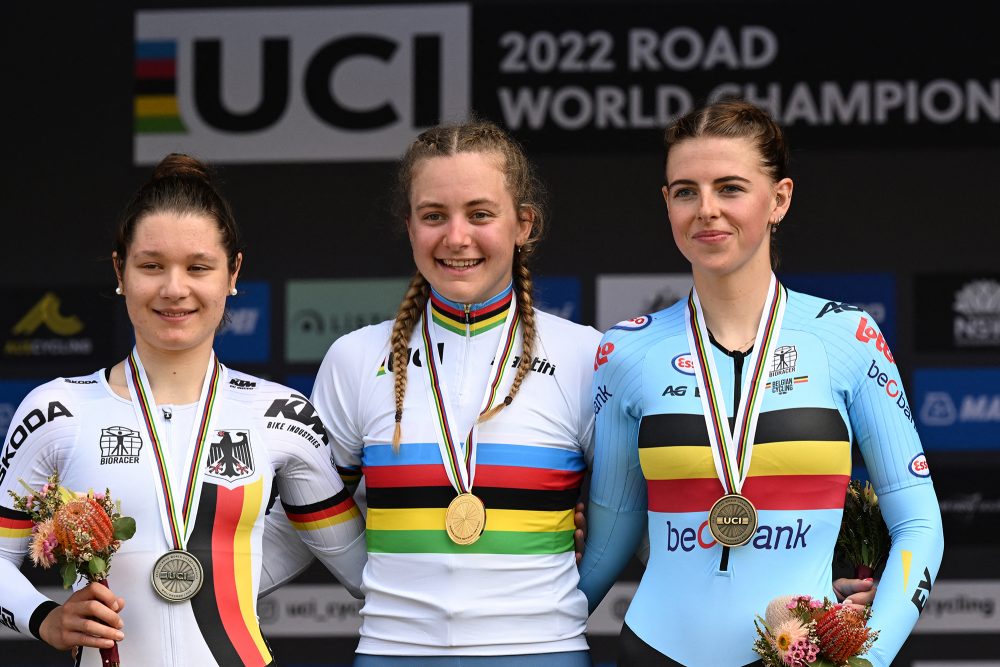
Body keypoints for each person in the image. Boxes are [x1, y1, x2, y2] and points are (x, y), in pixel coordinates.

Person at [577, 99, 944, 667]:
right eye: (685, 191)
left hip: (805, 658)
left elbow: (919, 525)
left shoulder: (848, 336)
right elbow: (610, 540)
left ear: (779, 199)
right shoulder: (626, 351)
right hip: (653, 652)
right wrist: (521, 638)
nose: (706, 211)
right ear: (667, 204)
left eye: (730, 188)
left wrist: (863, 659)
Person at [0, 154, 366, 666]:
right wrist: (43, 618)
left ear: (233, 272)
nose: (175, 288)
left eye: (198, 267)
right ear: (119, 271)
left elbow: (364, 568)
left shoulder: (280, 414)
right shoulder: (56, 411)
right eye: (151, 266)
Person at [304, 119, 600, 665]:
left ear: (523, 224)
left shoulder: (588, 356)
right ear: (410, 226)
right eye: (433, 215)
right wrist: (382, 588)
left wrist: (562, 605)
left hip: (544, 651)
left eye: (480, 214)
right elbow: (311, 502)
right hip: (393, 650)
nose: (456, 237)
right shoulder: (354, 358)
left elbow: (623, 512)